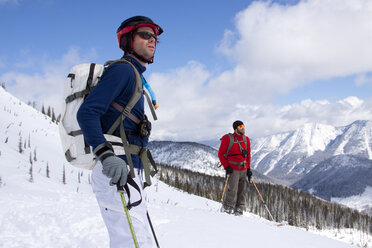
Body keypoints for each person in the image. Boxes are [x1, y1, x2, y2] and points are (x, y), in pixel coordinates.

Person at [77, 16, 163, 247]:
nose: (152, 40)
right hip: (115, 169)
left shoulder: (135, 75)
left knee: (140, 239)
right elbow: (87, 113)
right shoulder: (122, 71)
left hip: (127, 171)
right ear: (128, 40)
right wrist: (105, 156)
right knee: (130, 242)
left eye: (154, 37)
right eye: (145, 34)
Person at [218, 120, 252, 216]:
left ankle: (239, 210)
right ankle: (227, 209)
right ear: (236, 128)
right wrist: (226, 166)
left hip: (244, 169)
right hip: (233, 169)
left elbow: (248, 155)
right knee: (232, 190)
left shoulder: (246, 139)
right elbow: (220, 153)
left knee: (242, 191)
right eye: (241, 126)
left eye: (243, 126)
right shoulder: (227, 138)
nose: (243, 128)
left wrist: (248, 169)